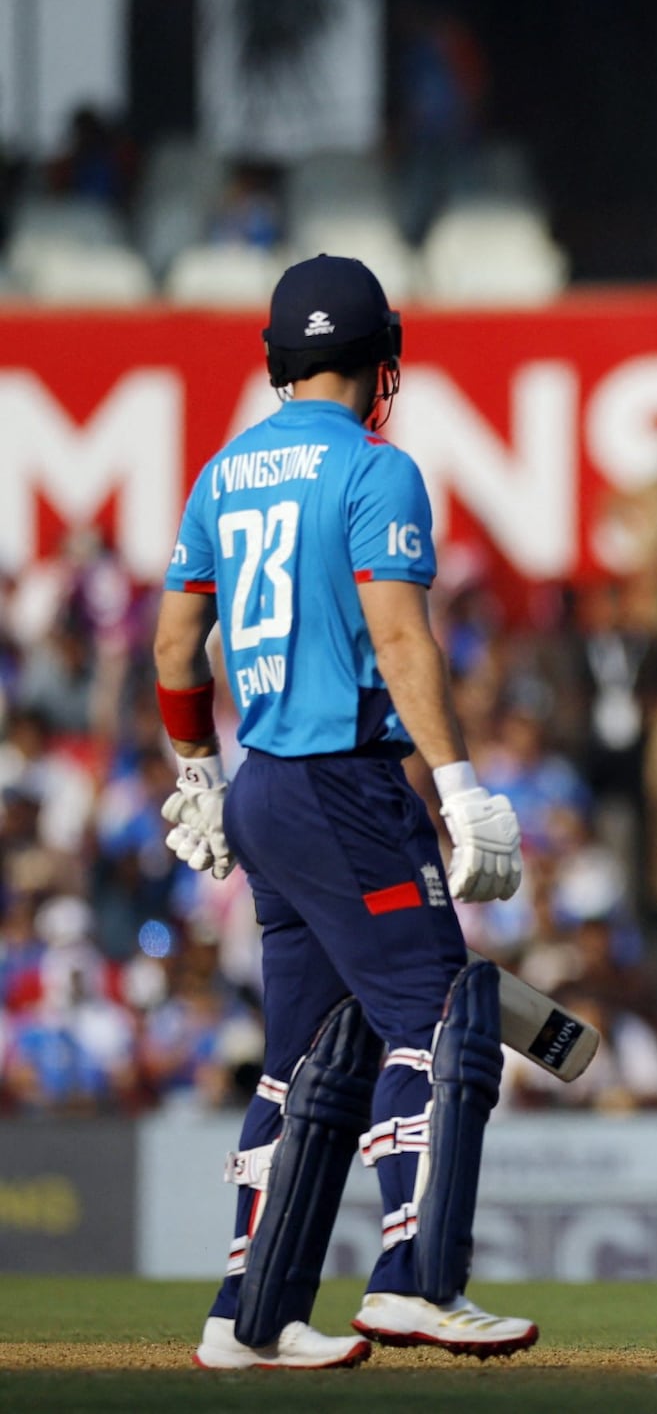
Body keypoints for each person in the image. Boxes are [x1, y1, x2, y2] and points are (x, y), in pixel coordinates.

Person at [155, 255, 534, 1369]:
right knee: (441, 1018)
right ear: (382, 359)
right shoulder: (376, 469)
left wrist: (196, 774)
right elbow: (401, 636)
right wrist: (459, 788)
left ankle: (250, 1313)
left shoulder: (223, 473)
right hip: (346, 785)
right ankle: (417, 1281)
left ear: (280, 360)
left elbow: (175, 648)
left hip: (265, 786)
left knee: (305, 1057)